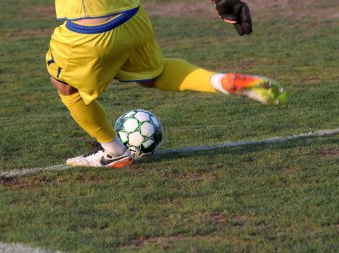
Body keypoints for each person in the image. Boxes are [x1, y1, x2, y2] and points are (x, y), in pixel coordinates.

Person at [46, 0, 287, 168]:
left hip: (89, 29)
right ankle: (220, 81)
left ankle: (114, 152)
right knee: (154, 74)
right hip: (131, 18)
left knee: (64, 84)